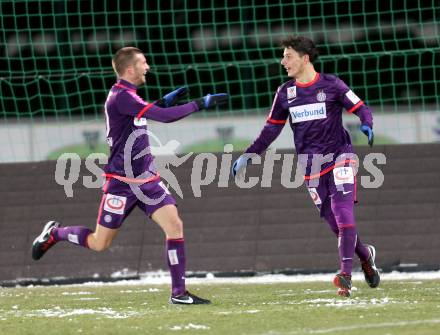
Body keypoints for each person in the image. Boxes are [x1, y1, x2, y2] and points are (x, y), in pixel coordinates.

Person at [32, 47, 228, 304]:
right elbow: (164, 119)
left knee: (175, 225)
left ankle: (179, 294)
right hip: (121, 185)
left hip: (148, 181)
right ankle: (55, 234)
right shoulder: (121, 97)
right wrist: (201, 103)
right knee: (99, 244)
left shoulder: (129, 97)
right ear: (130, 69)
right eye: (143, 63)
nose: (147, 67)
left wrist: (163, 101)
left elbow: (142, 116)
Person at [231, 36, 379, 297]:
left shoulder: (332, 84)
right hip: (310, 167)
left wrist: (366, 122)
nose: (283, 61)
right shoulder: (285, 93)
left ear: (305, 58)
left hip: (340, 157)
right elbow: (270, 130)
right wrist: (249, 154)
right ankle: (366, 257)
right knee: (336, 226)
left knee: (344, 213)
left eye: (288, 56)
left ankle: (345, 275)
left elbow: (360, 107)